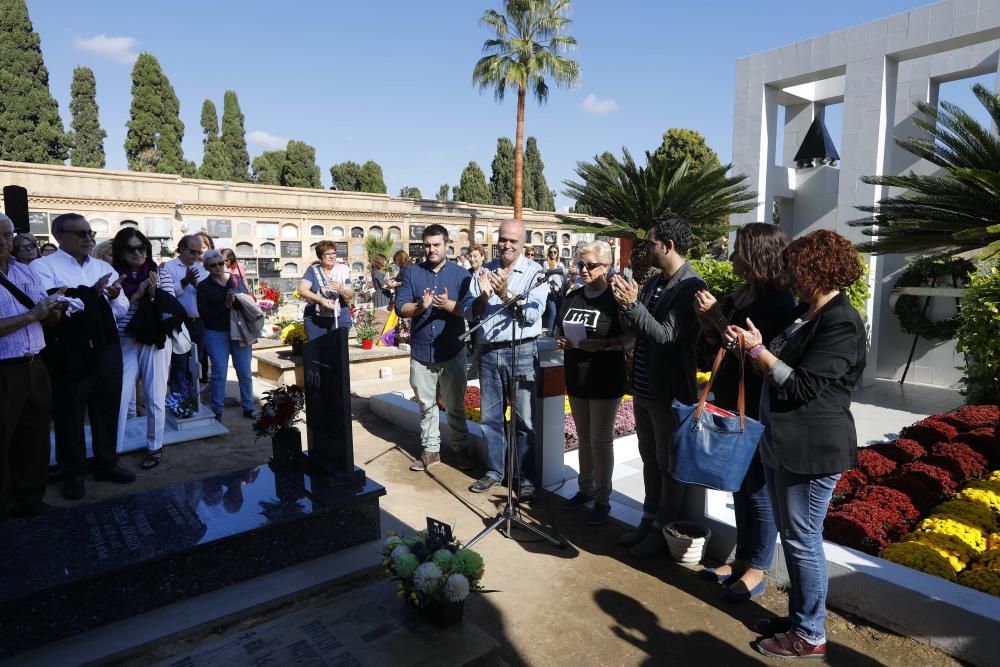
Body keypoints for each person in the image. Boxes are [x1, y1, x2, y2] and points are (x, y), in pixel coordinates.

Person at [728, 230, 866, 661]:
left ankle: (809, 634)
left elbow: (802, 385)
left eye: (794, 267)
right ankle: (799, 618)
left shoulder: (841, 321)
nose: (788, 274)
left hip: (812, 448)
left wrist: (759, 353)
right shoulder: (809, 313)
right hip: (785, 441)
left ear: (816, 268)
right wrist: (754, 348)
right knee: (794, 538)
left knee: (803, 539)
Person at [693, 223, 796, 601]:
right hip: (730, 400)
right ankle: (741, 559)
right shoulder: (742, 294)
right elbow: (719, 344)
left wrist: (718, 317)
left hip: (755, 404)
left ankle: (758, 568)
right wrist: (710, 323)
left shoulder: (778, 304)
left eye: (739, 250)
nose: (733, 257)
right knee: (739, 483)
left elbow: (756, 356)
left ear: (757, 255)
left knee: (757, 489)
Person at [608, 213, 707, 558]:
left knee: (668, 464)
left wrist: (634, 306)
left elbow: (666, 336)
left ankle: (664, 529)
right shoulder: (653, 282)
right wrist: (625, 305)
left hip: (669, 393)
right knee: (649, 459)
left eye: (650, 242)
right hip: (644, 389)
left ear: (669, 245)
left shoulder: (690, 287)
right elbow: (638, 328)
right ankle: (647, 521)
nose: (645, 248)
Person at [31, 213, 135, 500]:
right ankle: (73, 472)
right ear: (59, 236)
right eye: (80, 234)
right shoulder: (43, 266)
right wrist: (90, 295)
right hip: (69, 348)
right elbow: (53, 301)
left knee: (106, 407)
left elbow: (123, 309)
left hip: (105, 345)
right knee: (70, 413)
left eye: (90, 233)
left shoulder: (103, 267)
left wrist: (112, 296)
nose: (88, 238)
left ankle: (106, 462)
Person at [469, 219, 548, 498]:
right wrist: (483, 296)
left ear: (523, 243)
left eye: (513, 240)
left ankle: (525, 477)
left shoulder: (535, 273)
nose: (507, 245)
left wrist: (505, 295)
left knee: (523, 420)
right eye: (503, 239)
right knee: (490, 417)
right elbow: (471, 312)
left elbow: (531, 314)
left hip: (522, 350)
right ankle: (494, 472)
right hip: (489, 352)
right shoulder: (484, 270)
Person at [555, 241, 632, 526]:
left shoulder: (615, 299)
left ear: (606, 267)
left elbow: (631, 339)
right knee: (584, 437)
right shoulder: (572, 296)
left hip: (604, 378)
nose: (583, 270)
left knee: (600, 440)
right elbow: (560, 330)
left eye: (590, 265)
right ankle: (585, 489)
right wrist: (561, 340)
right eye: (580, 264)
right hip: (576, 375)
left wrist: (602, 345)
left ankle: (603, 498)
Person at [396, 224, 475, 472]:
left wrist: (449, 305)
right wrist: (420, 306)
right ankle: (430, 452)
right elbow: (400, 307)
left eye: (436, 245)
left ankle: (460, 449)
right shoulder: (412, 273)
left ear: (447, 245)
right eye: (427, 245)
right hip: (422, 352)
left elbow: (472, 311)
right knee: (426, 405)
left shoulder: (461, 276)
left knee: (455, 406)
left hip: (451, 350)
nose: (431, 250)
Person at [0, 214, 64, 517]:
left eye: (7, 235)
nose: (4, 242)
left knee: (35, 439)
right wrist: (32, 315)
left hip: (35, 365)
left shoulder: (24, 271)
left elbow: (43, 311)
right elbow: (32, 313)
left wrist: (55, 310)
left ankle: (31, 502)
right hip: (4, 370)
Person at [112, 228, 176, 470]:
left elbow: (170, 306)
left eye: (142, 247)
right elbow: (112, 309)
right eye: (131, 248)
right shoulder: (114, 275)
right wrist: (138, 294)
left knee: (155, 396)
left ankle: (155, 446)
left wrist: (153, 294)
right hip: (124, 340)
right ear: (121, 251)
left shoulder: (161, 272)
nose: (138, 252)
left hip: (154, 340)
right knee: (119, 397)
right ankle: (113, 450)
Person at [197, 249, 255, 421]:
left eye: (221, 263)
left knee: (244, 371)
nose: (218, 267)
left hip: (240, 330)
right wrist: (226, 305)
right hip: (216, 332)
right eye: (213, 265)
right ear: (206, 267)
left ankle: (248, 407)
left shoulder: (235, 280)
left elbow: (248, 300)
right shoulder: (204, 286)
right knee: (219, 372)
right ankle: (217, 410)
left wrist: (239, 300)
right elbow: (204, 313)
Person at [163, 235, 208, 386]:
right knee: (179, 362)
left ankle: (192, 399)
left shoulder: (201, 270)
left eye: (198, 253)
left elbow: (207, 295)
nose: (196, 256)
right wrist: (184, 281)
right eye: (192, 252)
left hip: (199, 322)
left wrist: (196, 285)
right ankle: (178, 401)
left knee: (196, 362)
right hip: (180, 324)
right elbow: (167, 296)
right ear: (182, 249)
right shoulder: (168, 268)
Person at [298, 241, 354, 339]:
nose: (331, 256)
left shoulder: (343, 270)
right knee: (317, 350)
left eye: (333, 253)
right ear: (320, 256)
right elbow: (302, 290)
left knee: (338, 350)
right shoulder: (312, 270)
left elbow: (350, 294)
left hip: (339, 317)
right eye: (327, 254)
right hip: (315, 319)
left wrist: (341, 289)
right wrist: (321, 300)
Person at [543, 244, 566, 334]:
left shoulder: (561, 264)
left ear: (557, 253)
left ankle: (556, 333)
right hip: (550, 291)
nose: (552, 254)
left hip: (559, 292)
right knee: (553, 313)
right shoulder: (546, 263)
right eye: (551, 252)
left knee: (559, 313)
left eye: (554, 252)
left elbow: (563, 277)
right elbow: (548, 277)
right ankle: (549, 333)